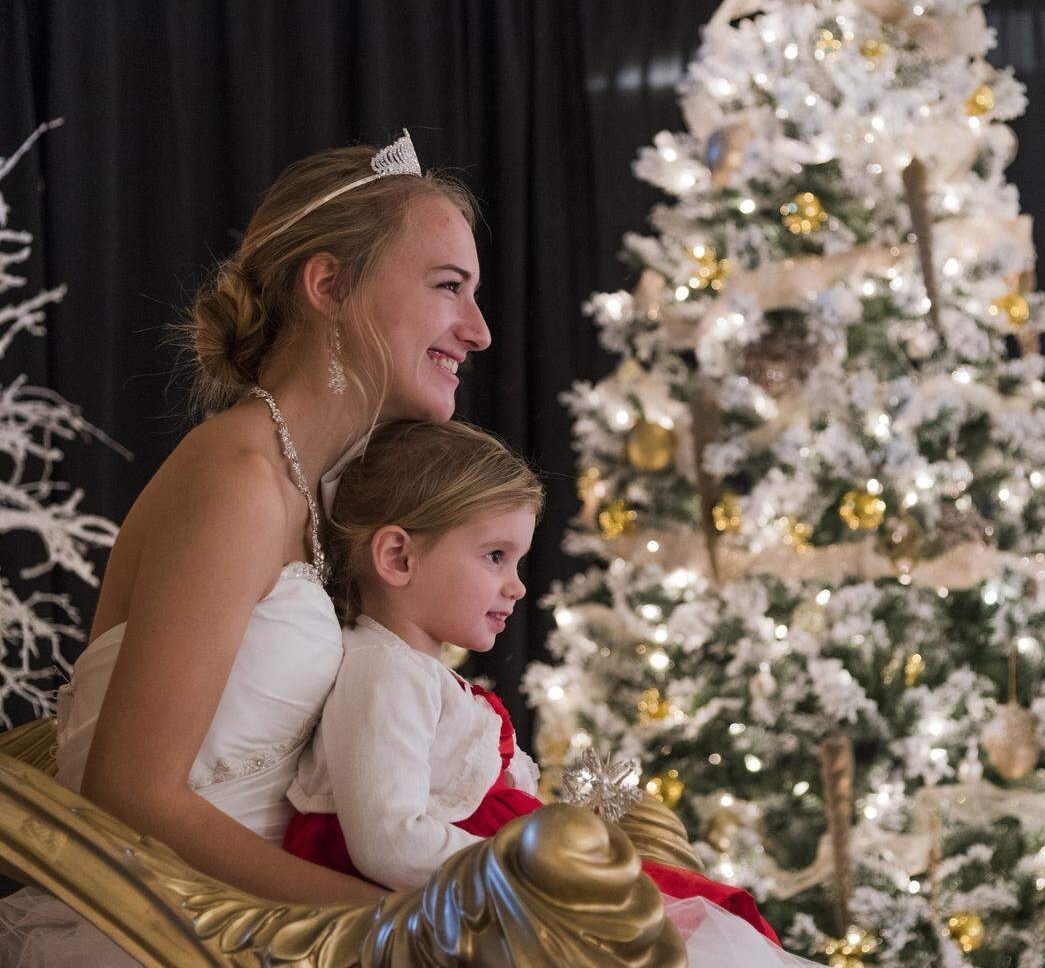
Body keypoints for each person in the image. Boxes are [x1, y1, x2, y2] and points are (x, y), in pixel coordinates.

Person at [0, 130, 491, 964]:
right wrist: (395, 926)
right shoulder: (236, 477)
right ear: (330, 284)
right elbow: (133, 796)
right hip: (173, 929)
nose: (477, 330)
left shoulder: (327, 492)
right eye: (450, 288)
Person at [282, 419, 821, 967]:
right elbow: (388, 841)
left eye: (516, 561)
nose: (517, 585)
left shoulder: (421, 674)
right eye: (495, 556)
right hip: (463, 914)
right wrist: (544, 875)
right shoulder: (385, 672)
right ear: (398, 557)